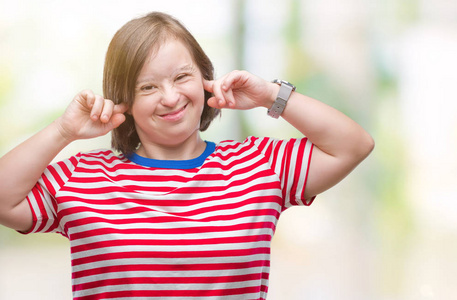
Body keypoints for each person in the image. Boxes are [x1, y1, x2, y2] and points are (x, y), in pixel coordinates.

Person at [0, 11, 374, 300]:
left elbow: (354, 145)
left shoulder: (260, 165)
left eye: (181, 77)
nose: (170, 97)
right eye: (148, 86)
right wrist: (63, 131)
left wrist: (267, 95)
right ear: (124, 100)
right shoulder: (82, 177)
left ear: (205, 78)